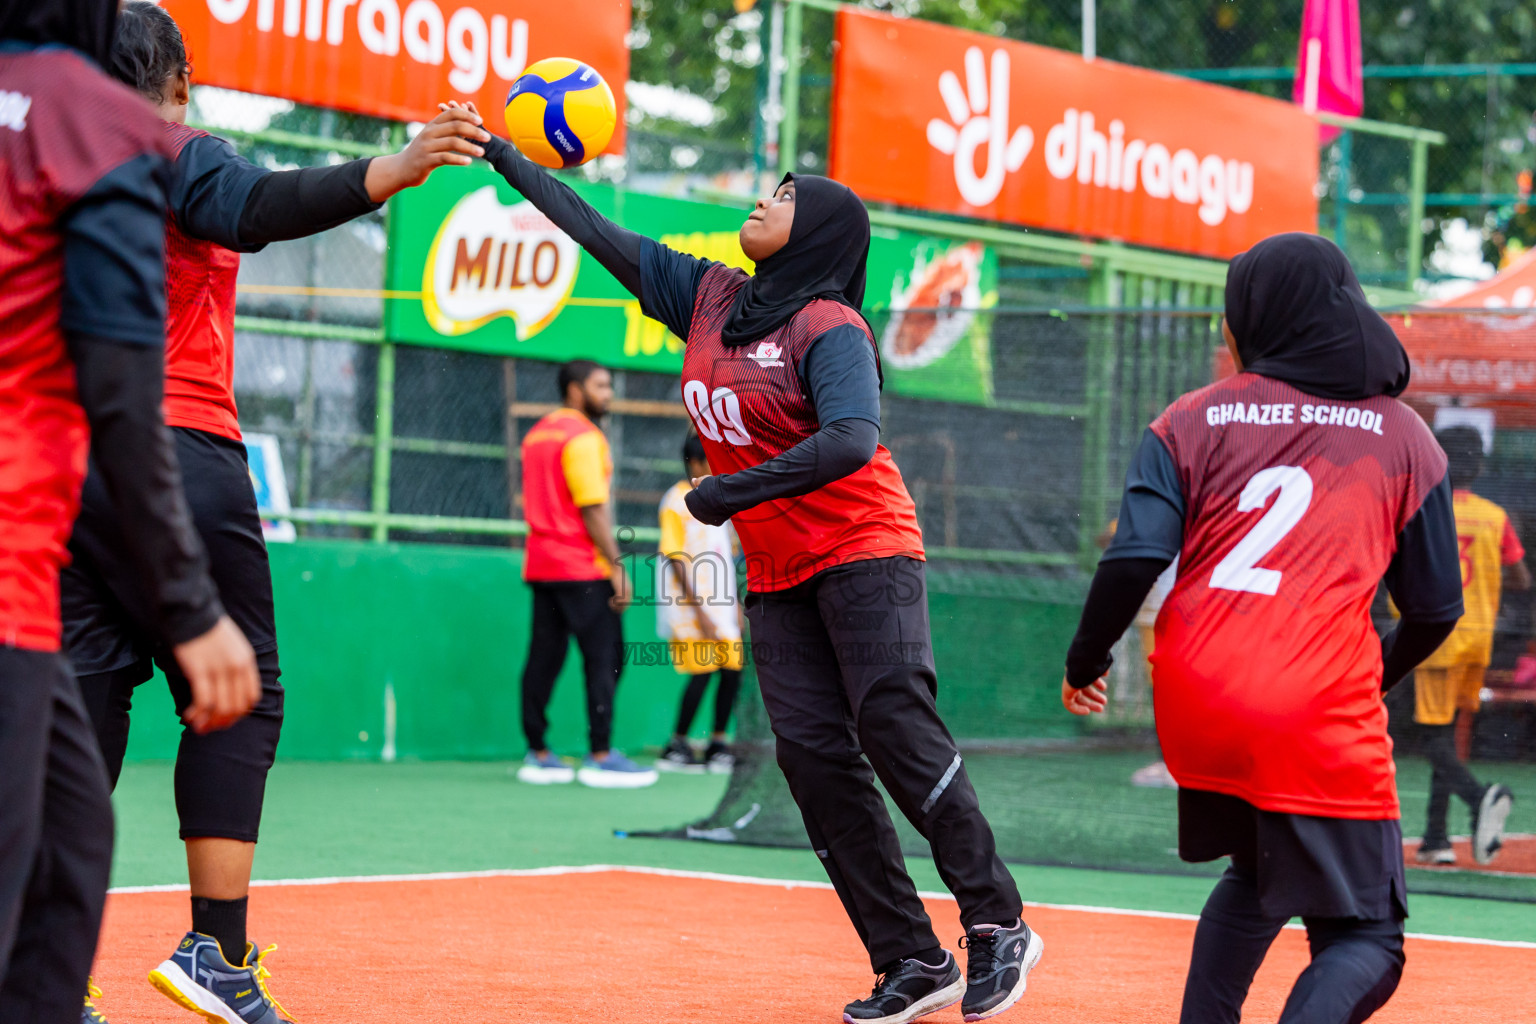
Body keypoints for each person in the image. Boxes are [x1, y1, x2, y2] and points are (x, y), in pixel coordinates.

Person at [454, 97, 1040, 1024]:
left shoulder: (830, 327)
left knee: (890, 726)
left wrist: (733, 490)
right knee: (811, 761)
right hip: (778, 573)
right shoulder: (711, 295)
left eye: (786, 194)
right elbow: (594, 228)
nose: (767, 199)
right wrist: (498, 152)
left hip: (865, 550)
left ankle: (998, 920)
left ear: (821, 232)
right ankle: (911, 958)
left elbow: (852, 440)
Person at [59, 5, 488, 1021]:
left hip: (65, 466)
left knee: (82, 702)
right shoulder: (172, 147)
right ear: (179, 80)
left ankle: (49, 960)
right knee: (240, 690)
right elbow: (252, 204)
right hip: (175, 447)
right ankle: (217, 949)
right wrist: (393, 168)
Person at [1062, 233, 1464, 1024]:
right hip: (1316, 709)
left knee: (1253, 878)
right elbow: (1436, 608)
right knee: (1369, 937)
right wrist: (1368, 675)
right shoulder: (1403, 437)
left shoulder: (1189, 419)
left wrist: (1085, 659)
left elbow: (1135, 554)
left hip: (1199, 700)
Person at [0, 3, 260, 1022]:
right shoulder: (91, 120)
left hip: (43, 558)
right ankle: (218, 951)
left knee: (68, 837)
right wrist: (193, 611)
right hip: (19, 559)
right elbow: (121, 391)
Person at [516, 359, 657, 789]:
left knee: (545, 658)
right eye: (601, 386)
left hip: (542, 563)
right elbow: (591, 506)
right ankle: (600, 755)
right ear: (575, 389)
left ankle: (538, 752)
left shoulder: (537, 434)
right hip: (581, 566)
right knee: (606, 658)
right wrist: (617, 567)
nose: (609, 394)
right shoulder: (583, 437)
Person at [1411, 426, 1526, 866]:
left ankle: (1481, 798)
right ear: (1479, 466)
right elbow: (1521, 577)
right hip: (1478, 637)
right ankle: (1435, 838)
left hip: (1434, 637)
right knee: (1446, 735)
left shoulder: (1424, 508)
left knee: (1429, 738)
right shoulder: (1495, 516)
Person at [656, 431, 743, 774]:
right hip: (692, 609)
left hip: (721, 607)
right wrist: (700, 611)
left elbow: (725, 556)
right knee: (703, 672)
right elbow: (675, 557)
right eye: (710, 460)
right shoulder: (676, 500)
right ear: (694, 463)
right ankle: (676, 745)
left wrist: (733, 604)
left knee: (732, 673)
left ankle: (718, 744)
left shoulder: (717, 498)